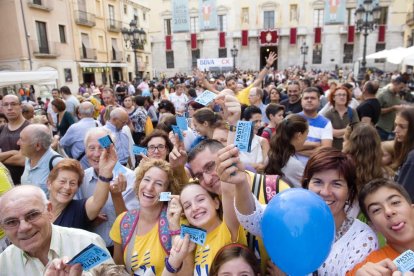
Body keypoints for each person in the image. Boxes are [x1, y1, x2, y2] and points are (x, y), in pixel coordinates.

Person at [221, 146, 378, 275]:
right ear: (306, 185)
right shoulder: (292, 214)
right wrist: (241, 184)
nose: (325, 191)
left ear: (350, 191)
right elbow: (252, 218)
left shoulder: (362, 240)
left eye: (336, 184)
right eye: (318, 182)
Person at [0, 185, 114, 275]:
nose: (24, 227)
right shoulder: (4, 263)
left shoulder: (87, 242)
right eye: (11, 222)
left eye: (32, 215)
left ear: (49, 210)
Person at [109, 159, 183, 275]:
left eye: (159, 184)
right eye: (146, 180)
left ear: (167, 192)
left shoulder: (177, 221)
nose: (149, 187)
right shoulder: (122, 221)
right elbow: (118, 268)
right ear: (139, 182)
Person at [78, 128, 139, 251]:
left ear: (112, 150)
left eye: (101, 148)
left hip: (121, 249)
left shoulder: (130, 177)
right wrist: (88, 220)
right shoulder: (82, 178)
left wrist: (117, 197)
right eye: (91, 148)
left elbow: (132, 222)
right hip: (91, 249)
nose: (96, 154)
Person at [347, 179, 414, 275]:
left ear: (412, 208)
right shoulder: (372, 268)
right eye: (376, 210)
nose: (388, 212)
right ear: (373, 225)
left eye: (395, 202)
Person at [178, 182, 247, 275]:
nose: (194, 208)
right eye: (187, 206)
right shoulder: (194, 243)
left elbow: (228, 191)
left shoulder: (228, 230)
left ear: (216, 203)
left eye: (200, 199)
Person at [47, 151, 117, 230]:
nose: (67, 187)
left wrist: (105, 172)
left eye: (72, 183)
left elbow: (98, 201)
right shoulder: (37, 208)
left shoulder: (79, 210)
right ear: (49, 183)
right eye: (62, 181)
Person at [343, 122, 390, 194]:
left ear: (350, 145)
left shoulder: (343, 169)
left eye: (345, 140)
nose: (343, 143)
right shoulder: (385, 174)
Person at [265, 114, 308, 187]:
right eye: (307, 133)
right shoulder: (295, 165)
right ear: (299, 135)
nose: (307, 138)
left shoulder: (270, 157)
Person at [19, 124, 64, 195]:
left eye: (22, 139)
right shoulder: (29, 157)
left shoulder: (57, 163)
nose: (18, 143)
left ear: (37, 146)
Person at [297, 87, 333, 165]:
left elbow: (325, 150)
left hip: (314, 167)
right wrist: (315, 145)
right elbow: (287, 145)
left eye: (313, 98)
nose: (309, 100)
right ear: (301, 101)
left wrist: (296, 149)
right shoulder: (293, 119)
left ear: (319, 102)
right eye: (306, 98)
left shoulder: (326, 123)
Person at [0, 95, 30, 184]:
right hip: (5, 184)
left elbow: (22, 160)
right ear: (2, 108)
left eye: (13, 104)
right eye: (6, 105)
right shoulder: (2, 129)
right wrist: (12, 152)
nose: (9, 108)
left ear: (20, 107)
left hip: (24, 184)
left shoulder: (29, 128)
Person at [59, 101, 100, 169]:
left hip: (82, 167)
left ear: (79, 114)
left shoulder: (74, 128)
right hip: (98, 165)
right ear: (93, 113)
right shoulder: (99, 125)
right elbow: (108, 145)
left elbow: (62, 143)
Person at [324, 86, 360, 150]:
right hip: (334, 150)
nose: (342, 97)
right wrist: (349, 129)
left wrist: (338, 133)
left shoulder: (352, 112)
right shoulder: (328, 114)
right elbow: (332, 133)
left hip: (350, 149)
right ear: (333, 97)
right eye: (339, 95)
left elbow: (357, 130)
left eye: (344, 95)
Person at [376, 76, 407, 141]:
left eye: (403, 88)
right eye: (400, 87)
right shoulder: (382, 94)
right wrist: (392, 108)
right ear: (395, 83)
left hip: (393, 129)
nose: (401, 90)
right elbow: (377, 111)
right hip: (381, 128)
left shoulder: (397, 94)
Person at [393, 108, 414, 201]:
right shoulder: (406, 150)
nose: (396, 130)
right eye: (396, 125)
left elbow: (404, 194)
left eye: (402, 126)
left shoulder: (412, 157)